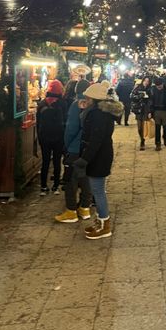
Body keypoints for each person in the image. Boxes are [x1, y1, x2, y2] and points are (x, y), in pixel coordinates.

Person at [70, 81, 124, 239]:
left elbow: (96, 140)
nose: (85, 98)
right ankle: (100, 221)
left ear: (93, 98)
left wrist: (85, 159)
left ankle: (104, 225)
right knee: (97, 190)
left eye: (87, 96)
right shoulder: (98, 112)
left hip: (99, 157)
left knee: (98, 191)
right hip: (100, 155)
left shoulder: (99, 115)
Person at [54, 80, 92, 223]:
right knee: (86, 178)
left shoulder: (77, 104)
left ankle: (71, 211)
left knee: (71, 180)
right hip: (88, 148)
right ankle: (85, 208)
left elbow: (71, 129)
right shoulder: (93, 103)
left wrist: (67, 145)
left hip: (75, 148)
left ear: (76, 91)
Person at [36, 79, 66, 195]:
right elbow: (65, 121)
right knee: (57, 161)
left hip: (44, 137)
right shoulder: (62, 103)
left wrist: (39, 137)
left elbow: (38, 123)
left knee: (45, 161)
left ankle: (43, 187)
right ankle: (56, 186)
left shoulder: (42, 103)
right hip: (58, 137)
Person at [151, 77, 166, 151]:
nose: (159, 87)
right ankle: (158, 144)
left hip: (165, 112)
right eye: (157, 86)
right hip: (156, 111)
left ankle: (165, 137)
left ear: (162, 84)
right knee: (157, 128)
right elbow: (150, 101)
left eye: (160, 85)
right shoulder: (153, 90)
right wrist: (151, 111)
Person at [130, 76, 152, 150]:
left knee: (144, 126)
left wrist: (150, 111)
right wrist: (140, 96)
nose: (146, 82)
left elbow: (151, 101)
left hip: (146, 109)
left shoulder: (150, 89)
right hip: (139, 109)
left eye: (148, 81)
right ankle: (142, 139)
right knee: (139, 127)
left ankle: (142, 141)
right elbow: (131, 96)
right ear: (143, 81)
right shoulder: (138, 88)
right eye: (145, 80)